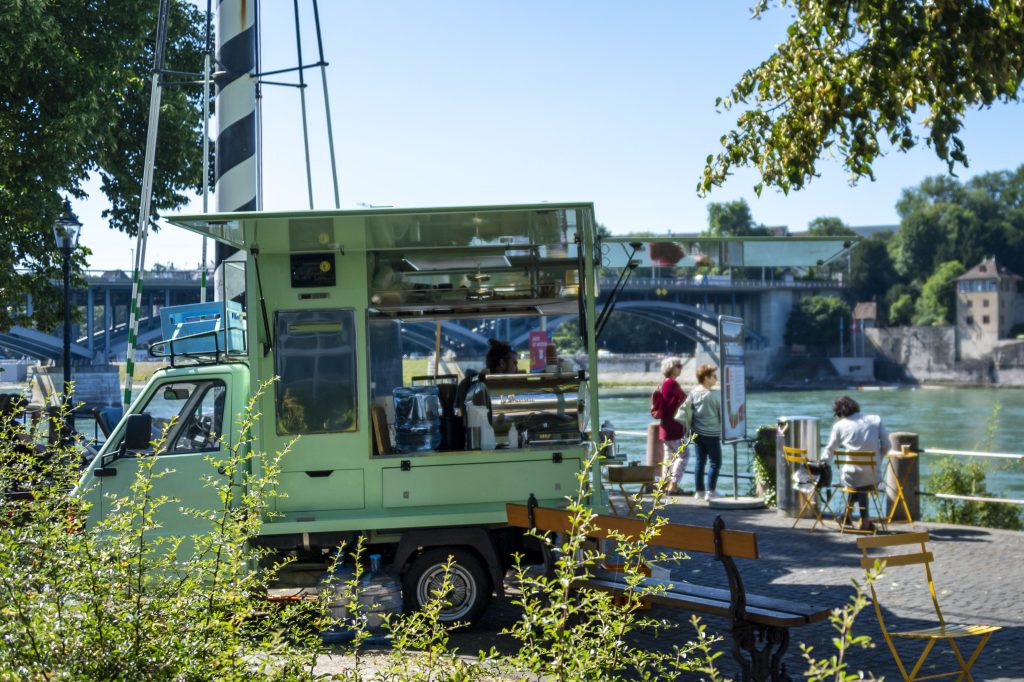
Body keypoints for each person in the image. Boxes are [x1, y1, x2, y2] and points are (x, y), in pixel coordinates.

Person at [821, 395, 890, 532]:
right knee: (863, 481)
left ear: (840, 412)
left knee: (855, 479)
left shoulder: (839, 426)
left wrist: (822, 462)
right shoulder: (875, 420)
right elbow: (887, 445)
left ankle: (852, 517)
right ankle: (861, 520)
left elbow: (830, 449)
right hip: (873, 476)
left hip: (851, 477)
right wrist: (877, 460)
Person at [680, 364, 722, 501]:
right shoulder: (714, 395)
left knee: (700, 462)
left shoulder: (693, 393)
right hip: (712, 433)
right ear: (706, 378)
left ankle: (699, 491)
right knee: (716, 462)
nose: (716, 378)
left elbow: (686, 411)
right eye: (714, 376)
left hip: (697, 433)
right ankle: (711, 491)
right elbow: (722, 414)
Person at [656, 357, 688, 494]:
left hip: (664, 426)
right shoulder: (672, 384)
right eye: (678, 366)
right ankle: (673, 485)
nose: (681, 368)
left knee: (669, 456)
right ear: (671, 368)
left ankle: (665, 484)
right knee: (684, 454)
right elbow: (685, 399)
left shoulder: (663, 383)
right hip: (674, 426)